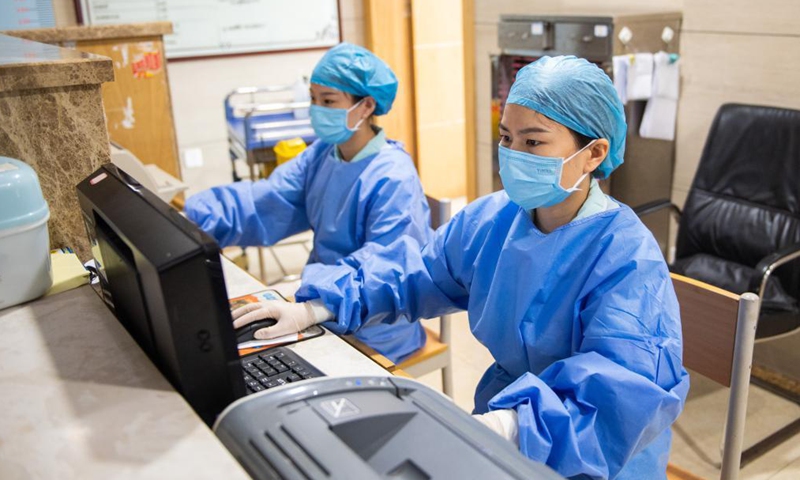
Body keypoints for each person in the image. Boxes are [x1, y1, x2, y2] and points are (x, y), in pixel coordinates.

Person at [235, 55, 689, 479]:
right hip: (504, 422)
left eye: (533, 141)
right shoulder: (495, 219)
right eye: (507, 138)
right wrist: (316, 307)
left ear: (593, 153)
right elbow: (416, 271)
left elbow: (616, 396)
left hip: (596, 455)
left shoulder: (626, 257)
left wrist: (507, 426)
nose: (513, 154)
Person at [184, 42, 430, 364]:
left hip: (375, 324)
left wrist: (316, 306)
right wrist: (192, 218)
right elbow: (266, 200)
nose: (317, 110)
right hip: (319, 300)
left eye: (328, 101)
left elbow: (389, 269)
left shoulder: (394, 178)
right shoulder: (323, 154)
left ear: (367, 106)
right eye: (313, 99)